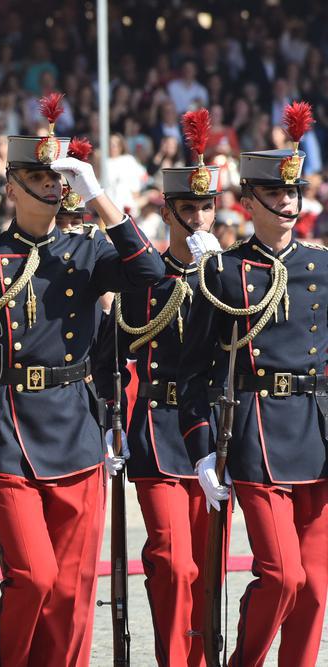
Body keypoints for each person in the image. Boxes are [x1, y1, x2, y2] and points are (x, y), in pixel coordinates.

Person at [0, 94, 165, 665]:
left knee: (70, 593)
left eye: (59, 176)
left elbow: (150, 273)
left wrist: (97, 194)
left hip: (75, 429)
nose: (53, 185)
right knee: (33, 576)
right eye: (40, 175)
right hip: (4, 434)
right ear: (11, 185)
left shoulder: (85, 249)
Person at [178, 101, 327, 667]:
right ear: (249, 202)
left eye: (293, 194)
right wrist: (200, 450)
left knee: (314, 591)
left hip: (316, 432)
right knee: (283, 577)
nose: (288, 204)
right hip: (258, 434)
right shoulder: (223, 270)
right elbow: (193, 369)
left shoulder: (321, 265)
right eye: (276, 195)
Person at [106, 109, 224, 666]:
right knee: (174, 561)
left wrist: (215, 282)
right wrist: (112, 420)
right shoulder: (144, 277)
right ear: (169, 211)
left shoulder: (230, 278)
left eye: (208, 206)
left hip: (214, 435)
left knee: (210, 565)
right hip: (157, 428)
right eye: (191, 208)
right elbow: (110, 353)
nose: (201, 218)